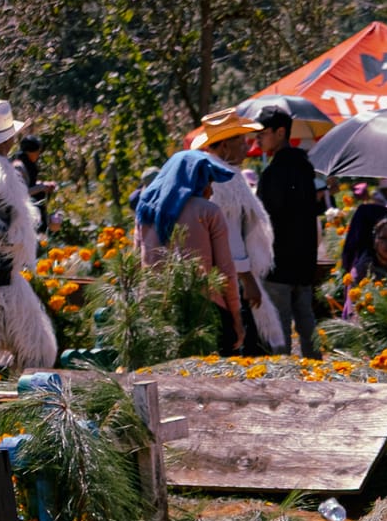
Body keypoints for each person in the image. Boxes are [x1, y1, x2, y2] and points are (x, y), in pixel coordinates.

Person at [133, 150, 242, 338]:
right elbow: (225, 271)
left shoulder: (145, 212)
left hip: (155, 307)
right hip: (203, 311)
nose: (211, 191)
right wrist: (236, 317)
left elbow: (136, 265)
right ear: (196, 181)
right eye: (208, 183)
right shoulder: (209, 212)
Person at [201, 111, 281, 351]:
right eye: (241, 141)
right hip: (231, 278)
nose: (247, 147)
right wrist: (247, 279)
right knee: (243, 346)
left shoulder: (214, 173)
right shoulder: (223, 180)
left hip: (221, 275)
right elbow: (229, 235)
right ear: (225, 145)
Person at [0, 94, 57, 375]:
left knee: (36, 349)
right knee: (38, 353)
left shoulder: (1, 173)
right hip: (0, 276)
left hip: (3, 277)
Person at [253, 105, 324, 355]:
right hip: (304, 263)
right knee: (307, 325)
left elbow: (264, 219)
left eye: (263, 133)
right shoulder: (305, 169)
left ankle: (283, 377)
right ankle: (317, 374)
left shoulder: (274, 172)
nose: (257, 139)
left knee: (279, 333)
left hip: (279, 265)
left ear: (280, 132)